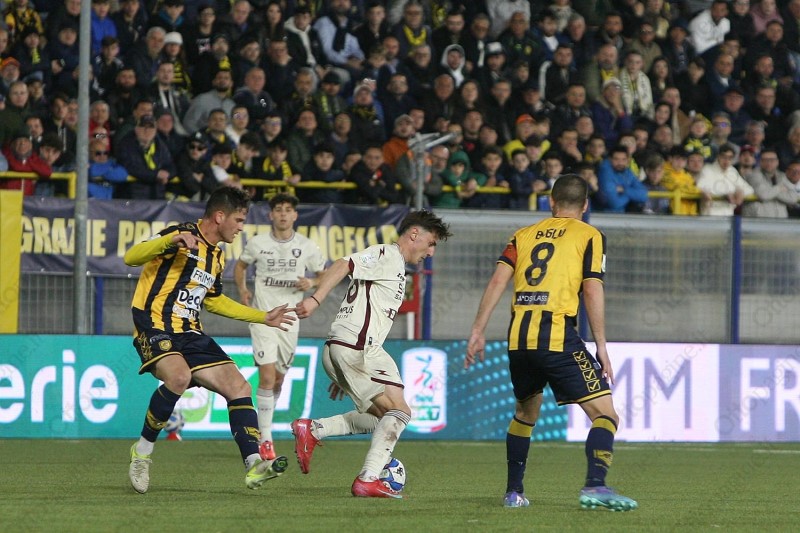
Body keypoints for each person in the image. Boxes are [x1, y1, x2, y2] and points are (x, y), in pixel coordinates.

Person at [465, 174, 638, 511]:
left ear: (551, 202)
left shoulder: (522, 234)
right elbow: (592, 288)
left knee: (525, 413)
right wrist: (601, 344)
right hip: (556, 335)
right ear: (585, 206)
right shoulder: (590, 235)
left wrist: (477, 330)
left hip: (519, 339)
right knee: (605, 414)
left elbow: (498, 280)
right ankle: (596, 485)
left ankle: (513, 492)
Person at [125, 187, 295, 494]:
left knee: (240, 388)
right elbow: (131, 257)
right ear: (219, 216)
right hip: (154, 326)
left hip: (190, 332)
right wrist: (168, 242)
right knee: (179, 377)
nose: (241, 227)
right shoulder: (180, 235)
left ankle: (254, 465)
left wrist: (262, 316)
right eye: (239, 220)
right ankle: (142, 452)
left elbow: (214, 301)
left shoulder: (216, 255)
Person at [290, 210, 452, 498]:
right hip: (357, 348)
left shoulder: (395, 267)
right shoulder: (387, 255)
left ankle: (315, 429)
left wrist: (344, 370)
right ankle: (368, 478)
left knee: (385, 416)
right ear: (414, 234)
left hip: (350, 348)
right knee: (399, 412)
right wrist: (315, 299)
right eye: (431, 243)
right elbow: (343, 264)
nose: (431, 252)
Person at [233, 193, 326, 462]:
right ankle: (265, 439)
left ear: (295, 215)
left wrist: (312, 283)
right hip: (263, 316)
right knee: (266, 376)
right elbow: (240, 267)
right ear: (271, 215)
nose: (283, 214)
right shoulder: (258, 243)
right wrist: (242, 289)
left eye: (288, 210)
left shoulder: (306, 246)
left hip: (290, 319)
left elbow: (324, 275)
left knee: (278, 379)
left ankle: (265, 426)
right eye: (279, 210)